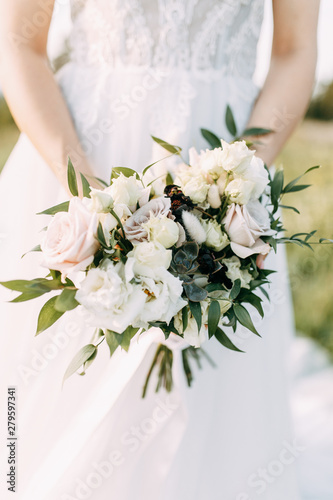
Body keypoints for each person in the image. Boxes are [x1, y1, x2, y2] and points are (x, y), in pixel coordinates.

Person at [0, 1, 320, 499]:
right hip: (83, 152)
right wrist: (94, 204)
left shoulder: (231, 184)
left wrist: (231, 187)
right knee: (66, 384)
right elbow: (19, 41)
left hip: (225, 154)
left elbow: (294, 50)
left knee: (212, 395)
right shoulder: (86, 188)